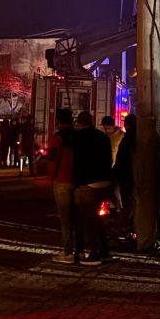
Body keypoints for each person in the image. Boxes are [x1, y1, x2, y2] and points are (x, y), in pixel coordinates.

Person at [72, 111, 115, 265]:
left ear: (79, 122)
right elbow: (109, 159)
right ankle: (105, 251)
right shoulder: (103, 137)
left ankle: (94, 254)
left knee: (88, 220)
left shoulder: (77, 138)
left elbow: (76, 162)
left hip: (88, 183)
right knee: (99, 218)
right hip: (105, 182)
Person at [47, 109, 80, 263]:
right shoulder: (78, 137)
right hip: (78, 180)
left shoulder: (57, 138)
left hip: (62, 180)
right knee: (77, 216)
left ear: (58, 121)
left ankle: (68, 251)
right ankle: (79, 249)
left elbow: (53, 160)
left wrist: (51, 176)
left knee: (65, 218)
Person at [112, 114, 137, 238]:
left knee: (128, 203)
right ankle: (127, 226)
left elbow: (122, 159)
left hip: (125, 176)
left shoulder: (127, 137)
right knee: (131, 203)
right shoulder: (135, 136)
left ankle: (119, 226)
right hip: (130, 175)